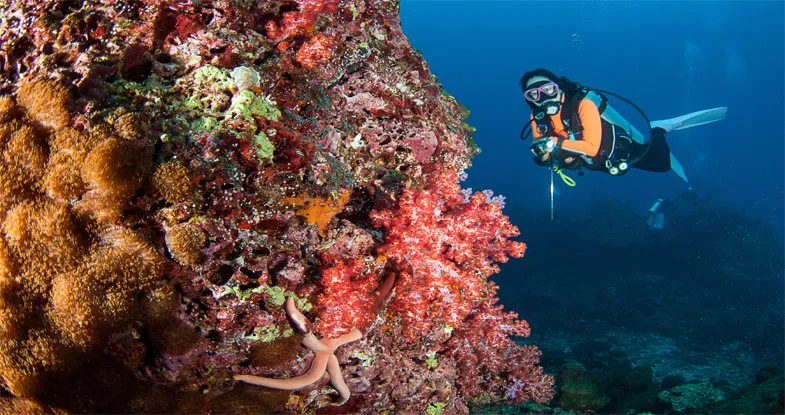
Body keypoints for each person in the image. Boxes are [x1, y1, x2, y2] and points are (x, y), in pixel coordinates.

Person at [520, 68, 727, 182]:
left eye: (548, 89)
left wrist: (554, 143)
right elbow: (543, 150)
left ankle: (659, 128)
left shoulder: (582, 104)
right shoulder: (537, 117)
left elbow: (591, 147)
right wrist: (541, 154)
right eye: (534, 95)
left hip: (618, 149)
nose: (543, 98)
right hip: (597, 164)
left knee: (662, 165)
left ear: (558, 87)